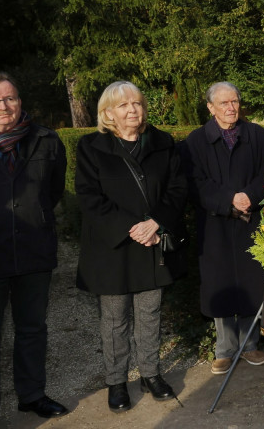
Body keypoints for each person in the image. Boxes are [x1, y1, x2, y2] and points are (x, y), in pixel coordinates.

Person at [75, 81, 187, 412]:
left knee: (150, 313)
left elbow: (178, 188)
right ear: (107, 112)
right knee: (114, 319)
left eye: (137, 103)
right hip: (112, 247)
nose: (132, 110)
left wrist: (156, 222)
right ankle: (117, 381)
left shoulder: (162, 143)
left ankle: (151, 374)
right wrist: (132, 228)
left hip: (152, 242)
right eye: (123, 105)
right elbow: (89, 196)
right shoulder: (91, 146)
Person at [0, 71, 69, 429]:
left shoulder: (46, 140)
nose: (3, 106)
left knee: (33, 330)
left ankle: (32, 396)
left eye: (10, 98)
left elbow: (53, 191)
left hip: (33, 252)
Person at [184, 82, 264, 374]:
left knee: (252, 280)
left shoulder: (258, 136)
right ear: (210, 108)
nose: (230, 108)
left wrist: (251, 194)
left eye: (234, 101)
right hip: (214, 225)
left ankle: (250, 344)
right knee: (218, 282)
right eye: (223, 103)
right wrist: (228, 200)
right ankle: (224, 348)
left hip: (252, 222)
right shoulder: (195, 142)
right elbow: (194, 182)